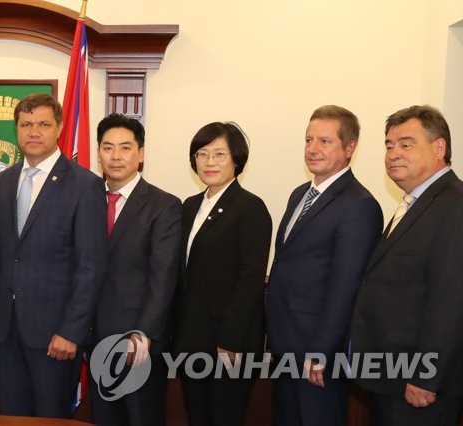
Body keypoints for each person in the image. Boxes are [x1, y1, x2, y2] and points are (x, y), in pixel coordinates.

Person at [0, 93, 107, 418]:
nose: (34, 132)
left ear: (59, 128)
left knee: (51, 417)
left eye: (43, 124)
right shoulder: (2, 182)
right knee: (11, 417)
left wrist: (71, 331)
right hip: (6, 331)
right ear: (16, 130)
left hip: (55, 335)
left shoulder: (85, 185)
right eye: (26, 124)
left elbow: (90, 267)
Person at [267, 106, 382, 426]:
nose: (313, 149)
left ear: (350, 147)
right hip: (285, 345)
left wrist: (321, 351)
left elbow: (347, 287)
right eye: (309, 140)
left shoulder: (359, 205)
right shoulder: (299, 195)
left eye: (325, 141)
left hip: (317, 353)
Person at [351, 105, 463, 425]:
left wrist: (428, 376)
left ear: (439, 148)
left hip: (420, 384)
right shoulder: (416, 202)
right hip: (392, 377)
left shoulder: (455, 205)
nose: (393, 154)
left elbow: (452, 301)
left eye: (406, 144)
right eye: (389, 145)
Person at [173, 122, 271, 426]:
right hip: (192, 340)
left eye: (219, 154)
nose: (209, 162)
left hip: (229, 345)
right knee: (197, 418)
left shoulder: (250, 208)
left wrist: (229, 340)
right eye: (202, 154)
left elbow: (250, 280)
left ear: (236, 159)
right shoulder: (190, 206)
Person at [90, 114, 181, 426]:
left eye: (125, 148)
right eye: (108, 147)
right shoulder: (86, 200)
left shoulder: (163, 205)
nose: (116, 156)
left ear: (141, 154)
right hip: (93, 338)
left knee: (141, 418)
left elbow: (163, 277)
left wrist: (143, 334)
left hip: (138, 342)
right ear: (98, 153)